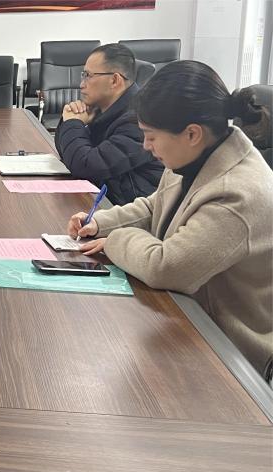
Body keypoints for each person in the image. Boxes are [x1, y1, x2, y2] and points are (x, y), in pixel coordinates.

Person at [67, 60, 272, 373]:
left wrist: (115, 239)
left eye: (151, 136)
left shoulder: (236, 194)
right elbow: (156, 206)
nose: (146, 146)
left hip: (232, 354)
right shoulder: (197, 154)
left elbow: (166, 267)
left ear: (192, 133)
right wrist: (100, 223)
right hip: (189, 318)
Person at [55, 43, 164, 205]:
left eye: (88, 75)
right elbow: (68, 154)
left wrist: (73, 123)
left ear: (114, 80)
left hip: (131, 211)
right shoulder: (105, 107)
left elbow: (87, 167)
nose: (81, 84)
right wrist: (70, 121)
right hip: (107, 200)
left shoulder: (139, 120)